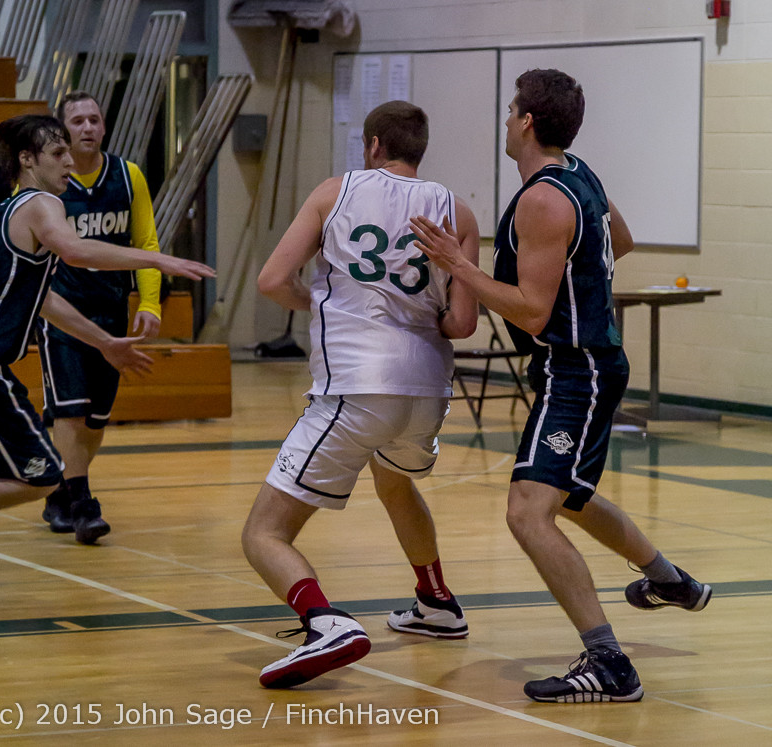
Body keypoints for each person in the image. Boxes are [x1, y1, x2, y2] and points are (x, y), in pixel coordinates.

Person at [409, 69, 711, 704]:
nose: (506, 116)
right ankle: (668, 580)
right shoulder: (580, 173)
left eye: (511, 107)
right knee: (568, 498)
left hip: (578, 371)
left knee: (527, 512)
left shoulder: (543, 199)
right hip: (578, 365)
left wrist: (460, 266)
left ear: (525, 122)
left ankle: (608, 663)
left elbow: (531, 310)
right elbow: (617, 242)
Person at [241, 100, 480, 689]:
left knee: (263, 533)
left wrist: (322, 301)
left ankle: (324, 623)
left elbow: (273, 280)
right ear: (420, 150)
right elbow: (461, 325)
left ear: (372, 145)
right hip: (427, 389)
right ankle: (436, 602)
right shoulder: (459, 211)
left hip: (358, 384)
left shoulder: (334, 192)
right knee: (393, 478)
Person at [0, 114, 214, 527]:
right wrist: (155, 257)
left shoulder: (0, 213)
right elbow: (76, 251)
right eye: (58, 152)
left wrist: (103, 341)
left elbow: (43, 299)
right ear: (28, 160)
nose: (69, 161)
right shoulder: (41, 203)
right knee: (44, 475)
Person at [37, 91, 165, 544]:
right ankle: (85, 505)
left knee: (95, 422)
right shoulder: (44, 183)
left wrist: (149, 304)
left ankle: (60, 493)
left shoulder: (128, 177)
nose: (88, 127)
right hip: (62, 315)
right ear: (63, 131)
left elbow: (146, 244)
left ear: (104, 127)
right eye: (78, 120)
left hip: (111, 314)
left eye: (95, 119)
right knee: (69, 414)